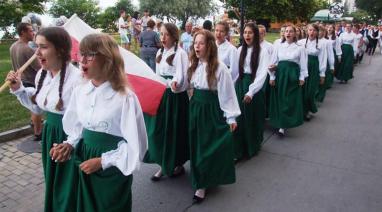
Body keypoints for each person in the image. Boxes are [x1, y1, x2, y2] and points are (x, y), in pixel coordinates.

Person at [55, 33, 148, 211]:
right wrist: (69, 144)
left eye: (90, 54)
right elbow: (78, 127)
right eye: (81, 54)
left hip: (112, 166)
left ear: (107, 59)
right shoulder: (80, 92)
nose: (82, 60)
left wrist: (103, 161)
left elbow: (137, 146)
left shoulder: (125, 97)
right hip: (84, 159)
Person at [7, 27, 82, 212]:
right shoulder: (43, 74)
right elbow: (38, 107)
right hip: (50, 134)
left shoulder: (78, 79)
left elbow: (84, 118)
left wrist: (71, 142)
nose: (37, 53)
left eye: (43, 47)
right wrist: (19, 89)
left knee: (69, 184)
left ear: (61, 50)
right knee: (54, 181)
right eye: (36, 46)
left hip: (70, 136)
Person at [187, 30, 240, 203]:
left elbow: (227, 94)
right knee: (196, 145)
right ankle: (199, 176)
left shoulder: (219, 67)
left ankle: (203, 183)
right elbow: (190, 86)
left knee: (207, 146)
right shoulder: (194, 65)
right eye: (195, 43)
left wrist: (231, 117)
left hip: (211, 111)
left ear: (209, 46)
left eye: (201, 43)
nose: (197, 46)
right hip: (196, 108)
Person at [143, 23, 190, 181]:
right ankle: (163, 164)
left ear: (174, 36)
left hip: (175, 98)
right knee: (161, 131)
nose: (162, 37)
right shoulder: (160, 53)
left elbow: (181, 76)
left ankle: (176, 164)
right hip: (162, 96)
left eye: (166, 34)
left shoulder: (181, 54)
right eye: (161, 34)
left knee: (175, 131)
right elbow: (158, 76)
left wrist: (174, 83)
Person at [233, 23, 269, 160]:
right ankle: (237, 149)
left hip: (253, 86)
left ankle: (251, 145)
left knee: (252, 117)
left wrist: (251, 92)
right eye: (245, 32)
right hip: (240, 85)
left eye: (250, 33)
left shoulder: (262, 51)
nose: (247, 35)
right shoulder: (240, 50)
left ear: (255, 35)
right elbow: (235, 72)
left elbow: (261, 74)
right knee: (239, 118)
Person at [268, 25, 308, 136]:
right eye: (286, 31)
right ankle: (281, 125)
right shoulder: (279, 46)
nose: (288, 33)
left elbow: (303, 64)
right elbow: (273, 62)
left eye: (291, 31)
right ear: (284, 33)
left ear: (295, 34)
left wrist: (302, 77)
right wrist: (272, 76)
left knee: (289, 100)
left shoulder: (300, 47)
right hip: (280, 75)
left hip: (292, 76)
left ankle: (288, 121)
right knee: (280, 99)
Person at [10, 22, 42, 141]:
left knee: (31, 106)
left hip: (21, 81)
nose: (32, 33)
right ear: (22, 32)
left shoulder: (13, 46)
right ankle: (38, 133)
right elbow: (39, 67)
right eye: (30, 30)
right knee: (36, 107)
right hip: (30, 81)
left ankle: (34, 125)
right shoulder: (26, 48)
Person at [297, 24, 327, 120]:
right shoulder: (300, 42)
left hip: (314, 68)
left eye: (314, 30)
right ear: (307, 31)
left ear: (317, 32)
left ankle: (308, 110)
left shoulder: (321, 44)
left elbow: (323, 59)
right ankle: (301, 111)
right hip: (302, 67)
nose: (312, 32)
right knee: (301, 91)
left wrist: (322, 74)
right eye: (310, 30)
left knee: (310, 91)